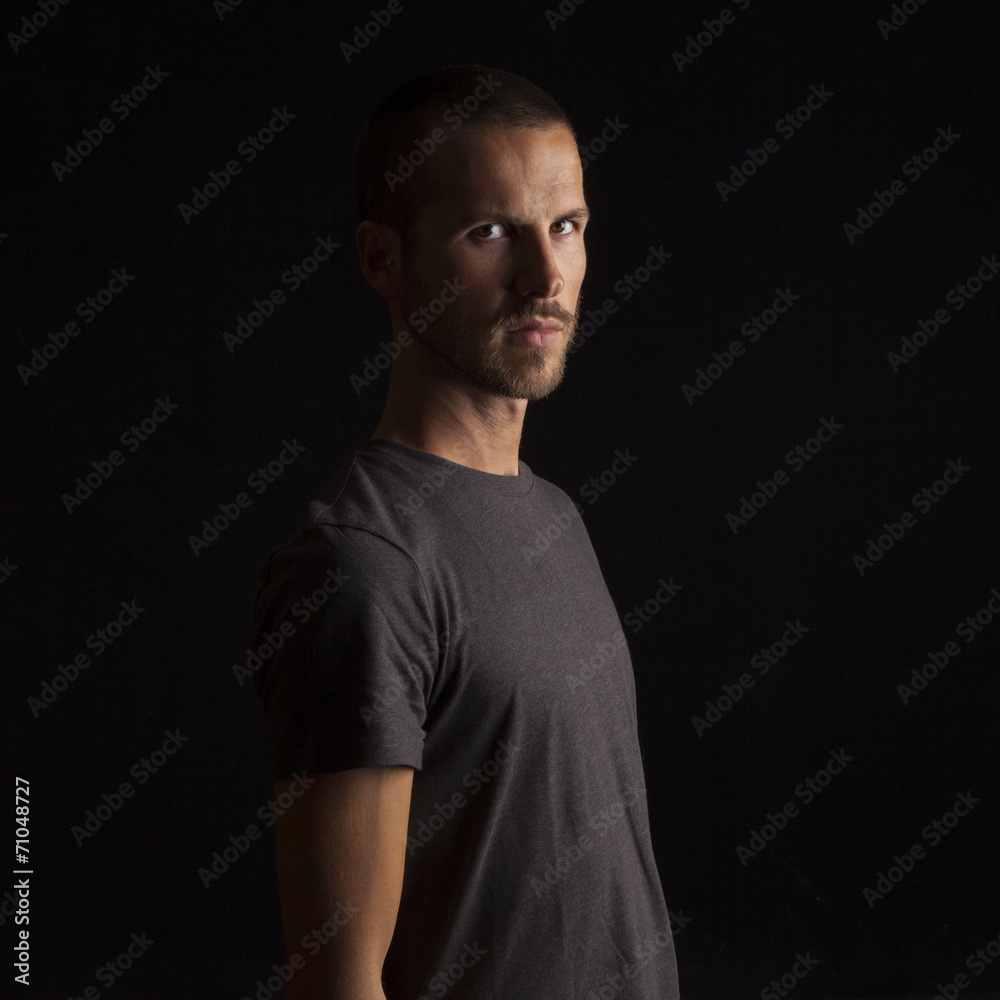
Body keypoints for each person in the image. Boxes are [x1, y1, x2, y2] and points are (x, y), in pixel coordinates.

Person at [250, 63, 681, 1000]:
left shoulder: (552, 514)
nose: (545, 276)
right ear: (381, 259)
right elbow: (336, 983)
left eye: (566, 226)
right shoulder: (364, 566)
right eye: (490, 232)